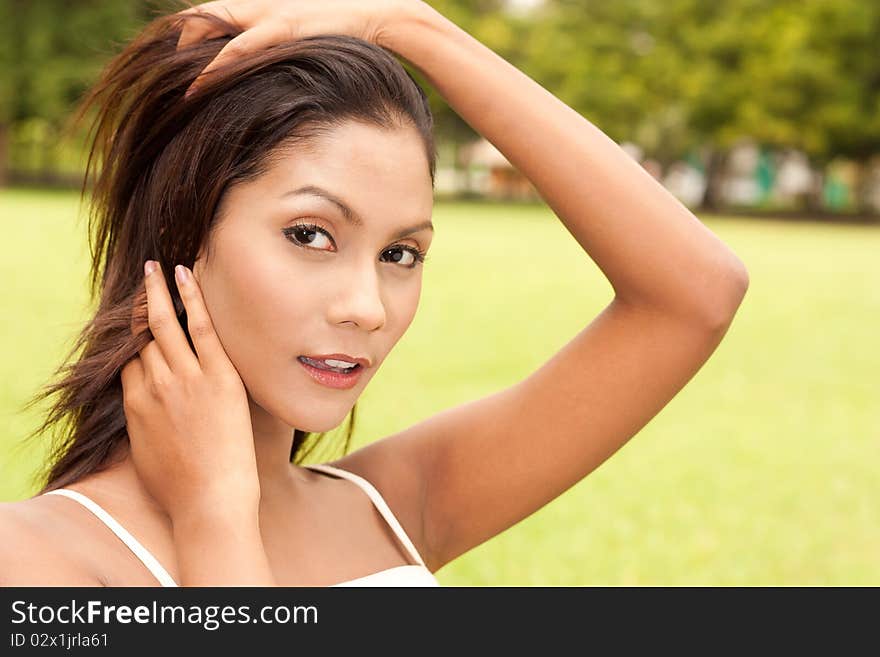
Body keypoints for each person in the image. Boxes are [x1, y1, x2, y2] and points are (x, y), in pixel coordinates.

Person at [0, 0, 749, 586]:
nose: (368, 305)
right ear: (182, 232)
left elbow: (696, 294)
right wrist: (214, 516)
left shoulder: (392, 504)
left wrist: (413, 27)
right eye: (311, 234)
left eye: (400, 252)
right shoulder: (33, 558)